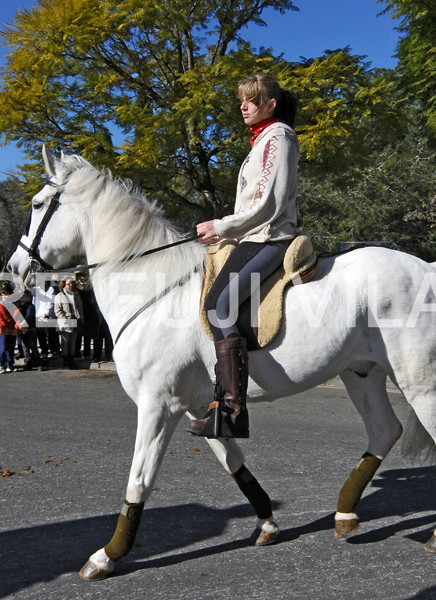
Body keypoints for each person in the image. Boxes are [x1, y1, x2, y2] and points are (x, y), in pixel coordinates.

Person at [187, 73, 299, 439]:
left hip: (268, 239)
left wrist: (221, 227)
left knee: (219, 306)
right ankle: (219, 405)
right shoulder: (262, 140)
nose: (243, 106)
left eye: (252, 99)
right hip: (253, 237)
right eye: (241, 100)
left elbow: (268, 203)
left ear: (271, 104)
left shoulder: (278, 137)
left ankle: (234, 412)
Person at [0, 281, 22, 373]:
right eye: (3, 294)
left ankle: (10, 364)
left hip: (12, 329)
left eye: (7, 294)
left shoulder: (14, 305)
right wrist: (4, 326)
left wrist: (16, 326)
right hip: (3, 330)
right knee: (3, 348)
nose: (5, 296)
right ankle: (0, 365)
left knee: (11, 348)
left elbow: (18, 316)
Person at [54, 278, 81, 369]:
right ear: (64, 284)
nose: (71, 286)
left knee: (73, 342)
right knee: (65, 342)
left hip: (75, 320)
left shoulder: (76, 294)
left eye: (72, 284)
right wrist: (65, 320)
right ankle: (66, 362)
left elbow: (80, 308)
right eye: (68, 284)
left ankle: (71, 360)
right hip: (65, 322)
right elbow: (58, 311)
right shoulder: (59, 296)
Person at [17, 289, 46, 371]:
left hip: (30, 329)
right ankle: (28, 362)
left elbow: (29, 316)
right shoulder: (21, 307)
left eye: (24, 297)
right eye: (21, 297)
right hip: (23, 329)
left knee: (33, 346)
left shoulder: (31, 306)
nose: (22, 299)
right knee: (25, 347)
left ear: (29, 298)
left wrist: (24, 322)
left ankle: (39, 363)